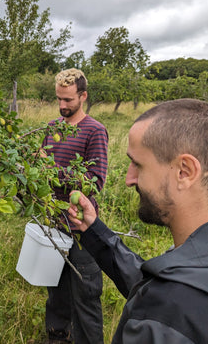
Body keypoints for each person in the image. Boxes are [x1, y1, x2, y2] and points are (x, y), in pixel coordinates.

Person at [68, 98, 208, 344]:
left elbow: (164, 296)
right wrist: (94, 230)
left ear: (184, 171)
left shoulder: (162, 314)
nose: (129, 179)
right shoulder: (189, 271)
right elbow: (152, 284)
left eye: (138, 164)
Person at [42, 68, 108, 344]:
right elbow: (39, 169)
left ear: (83, 96)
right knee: (55, 289)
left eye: (68, 100)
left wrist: (55, 172)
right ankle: (58, 336)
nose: (62, 105)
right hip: (53, 223)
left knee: (86, 294)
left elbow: (95, 181)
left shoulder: (95, 131)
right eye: (58, 99)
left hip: (81, 227)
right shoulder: (51, 128)